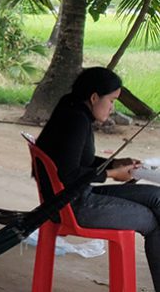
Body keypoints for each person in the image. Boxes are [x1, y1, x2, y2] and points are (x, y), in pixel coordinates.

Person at [36, 67, 160, 289]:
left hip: (68, 197)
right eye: (111, 101)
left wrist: (115, 164)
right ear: (94, 97)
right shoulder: (76, 121)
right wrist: (112, 174)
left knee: (157, 197)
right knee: (152, 221)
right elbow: (69, 174)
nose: (112, 108)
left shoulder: (71, 107)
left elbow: (74, 160)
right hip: (73, 205)